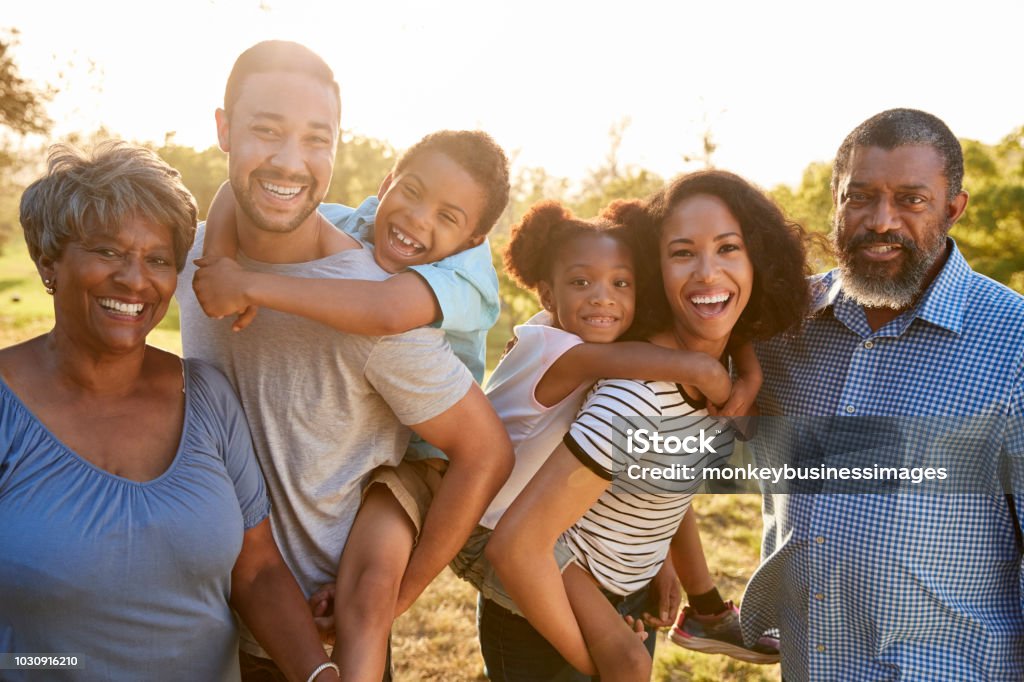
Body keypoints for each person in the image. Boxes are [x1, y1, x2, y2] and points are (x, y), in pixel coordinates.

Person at [175, 41, 514, 681]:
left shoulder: (380, 302)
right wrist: (220, 261)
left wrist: (395, 599)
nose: (289, 159)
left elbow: (485, 452)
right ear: (223, 129)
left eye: (315, 138)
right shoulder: (194, 256)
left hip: (310, 640)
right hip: (192, 630)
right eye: (265, 130)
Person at [0, 141, 338, 682]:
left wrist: (319, 675)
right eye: (107, 251)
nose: (135, 280)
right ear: (48, 260)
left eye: (157, 260)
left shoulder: (206, 396)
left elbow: (256, 571)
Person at [483, 171, 809, 681]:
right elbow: (518, 546)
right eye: (682, 253)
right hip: (551, 609)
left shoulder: (722, 366)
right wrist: (610, 661)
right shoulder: (636, 395)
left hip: (631, 597)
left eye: (728, 248)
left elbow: (659, 474)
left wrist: (662, 564)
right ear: (656, 271)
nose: (707, 272)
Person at [739, 108, 1024, 680]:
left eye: (911, 200)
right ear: (836, 200)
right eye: (861, 196)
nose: (881, 220)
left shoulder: (1013, 344)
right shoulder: (778, 324)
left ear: (954, 208)